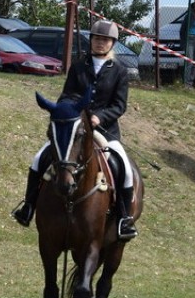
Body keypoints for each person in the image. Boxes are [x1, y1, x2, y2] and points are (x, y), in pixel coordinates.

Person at [11, 19, 138, 240]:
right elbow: (68, 95)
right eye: (97, 39)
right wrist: (73, 112)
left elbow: (119, 105)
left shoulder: (119, 71)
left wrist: (99, 117)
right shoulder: (79, 66)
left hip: (104, 129)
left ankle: (124, 219)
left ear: (112, 43)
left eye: (105, 40)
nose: (100, 43)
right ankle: (28, 207)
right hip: (75, 128)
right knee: (38, 158)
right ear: (92, 41)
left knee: (124, 168)